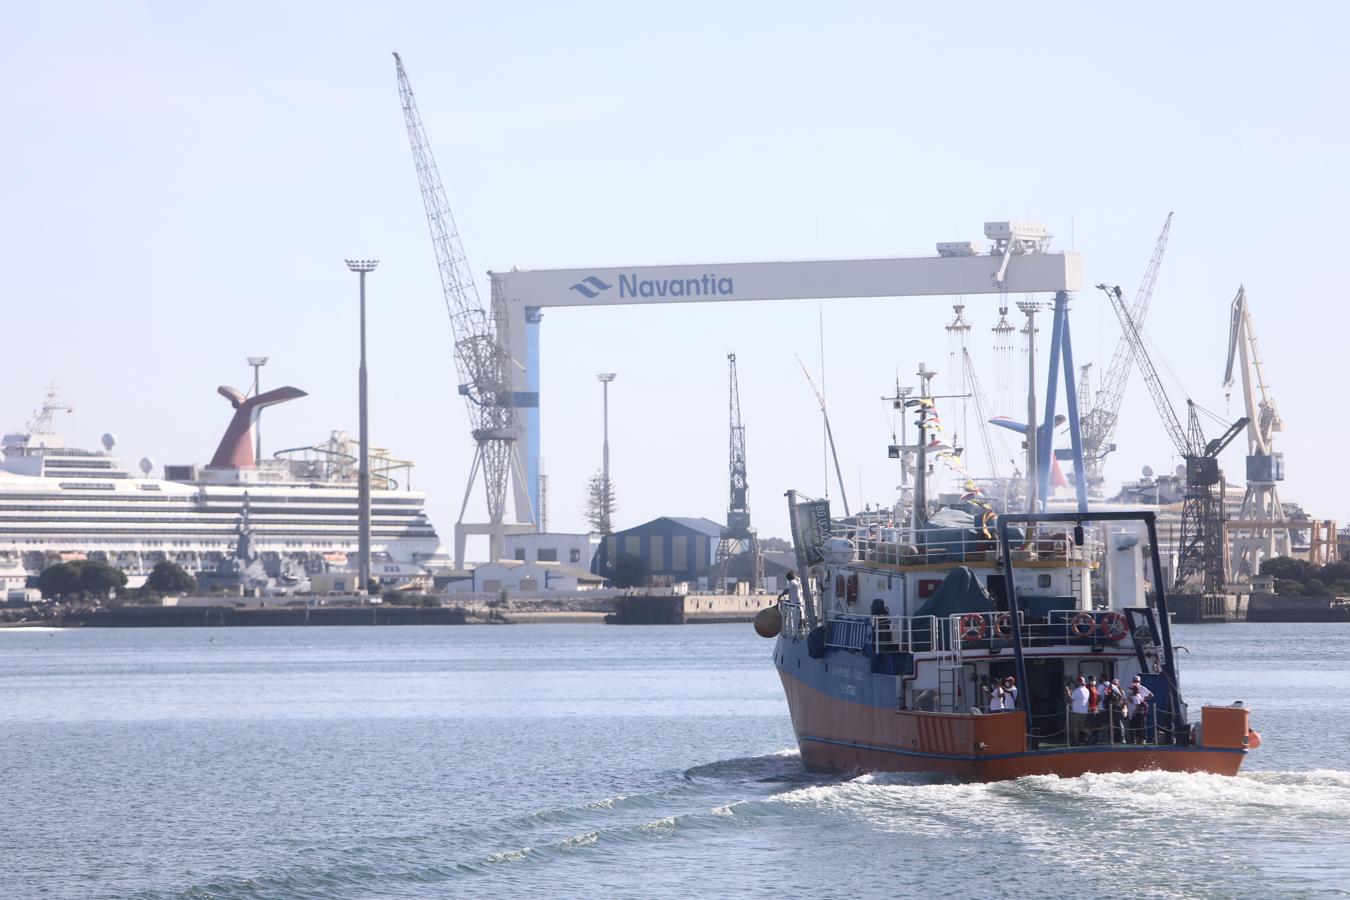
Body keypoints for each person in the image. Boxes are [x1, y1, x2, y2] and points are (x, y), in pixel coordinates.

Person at [1066, 676, 1091, 744]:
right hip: (1084, 711)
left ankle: (1076, 741)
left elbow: (1070, 700)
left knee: (1076, 728)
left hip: (1077, 712)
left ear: (1078, 682)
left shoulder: (1077, 691)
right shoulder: (1087, 690)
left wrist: (1068, 693)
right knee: (1081, 727)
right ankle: (1090, 733)